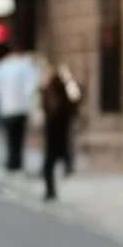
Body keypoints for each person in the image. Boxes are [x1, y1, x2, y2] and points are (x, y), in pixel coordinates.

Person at [0, 46, 40, 172]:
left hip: (6, 109)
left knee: (10, 137)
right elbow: (33, 86)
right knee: (19, 137)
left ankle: (11, 162)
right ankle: (17, 162)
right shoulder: (26, 66)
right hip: (21, 108)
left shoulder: (1, 67)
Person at [41, 69, 73, 202]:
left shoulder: (50, 98)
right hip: (62, 137)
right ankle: (51, 191)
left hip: (53, 137)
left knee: (48, 166)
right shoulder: (65, 98)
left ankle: (50, 191)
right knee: (60, 160)